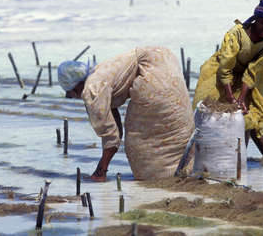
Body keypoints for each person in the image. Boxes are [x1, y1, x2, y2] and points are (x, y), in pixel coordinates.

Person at [58, 46, 194, 182]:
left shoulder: (91, 89)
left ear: (74, 87)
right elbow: (115, 128)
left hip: (152, 75)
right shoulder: (99, 73)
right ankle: (187, 168)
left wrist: (101, 171)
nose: (75, 97)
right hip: (164, 59)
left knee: (139, 142)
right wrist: (112, 138)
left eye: (70, 94)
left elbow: (111, 138)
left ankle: (160, 177)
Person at [192, 0, 263, 159]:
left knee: (249, 118)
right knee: (209, 116)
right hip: (221, 74)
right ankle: (206, 157)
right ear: (255, 19)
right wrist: (231, 98)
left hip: (250, 80)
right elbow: (226, 67)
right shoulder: (236, 34)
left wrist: (241, 99)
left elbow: (251, 72)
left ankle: (246, 160)